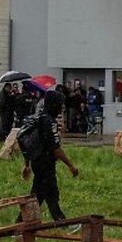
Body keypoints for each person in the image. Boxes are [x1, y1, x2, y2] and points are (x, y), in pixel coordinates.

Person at [22, 90, 81, 229]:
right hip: (45, 164)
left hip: (37, 162)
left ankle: (20, 225)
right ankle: (62, 224)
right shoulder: (49, 122)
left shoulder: (39, 118)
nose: (62, 108)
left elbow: (28, 143)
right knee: (50, 193)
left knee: (39, 195)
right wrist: (70, 165)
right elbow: (55, 148)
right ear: (54, 104)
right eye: (60, 105)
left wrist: (27, 164)